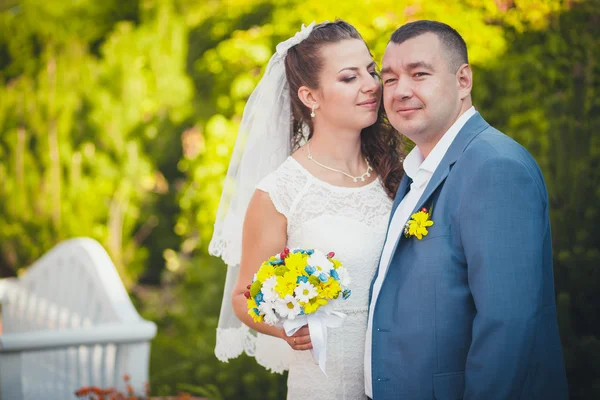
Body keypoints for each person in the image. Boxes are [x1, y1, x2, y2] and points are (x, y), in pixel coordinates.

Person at [365, 20, 569, 399]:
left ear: (463, 81)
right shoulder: (414, 173)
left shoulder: (494, 166)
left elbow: (507, 326)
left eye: (419, 74)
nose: (401, 91)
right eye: (390, 79)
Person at [209, 20, 404, 399]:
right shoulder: (280, 191)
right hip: (327, 383)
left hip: (404, 376)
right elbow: (242, 296)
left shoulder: (397, 173)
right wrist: (286, 327)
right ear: (310, 96)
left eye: (371, 70)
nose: (371, 85)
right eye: (349, 78)